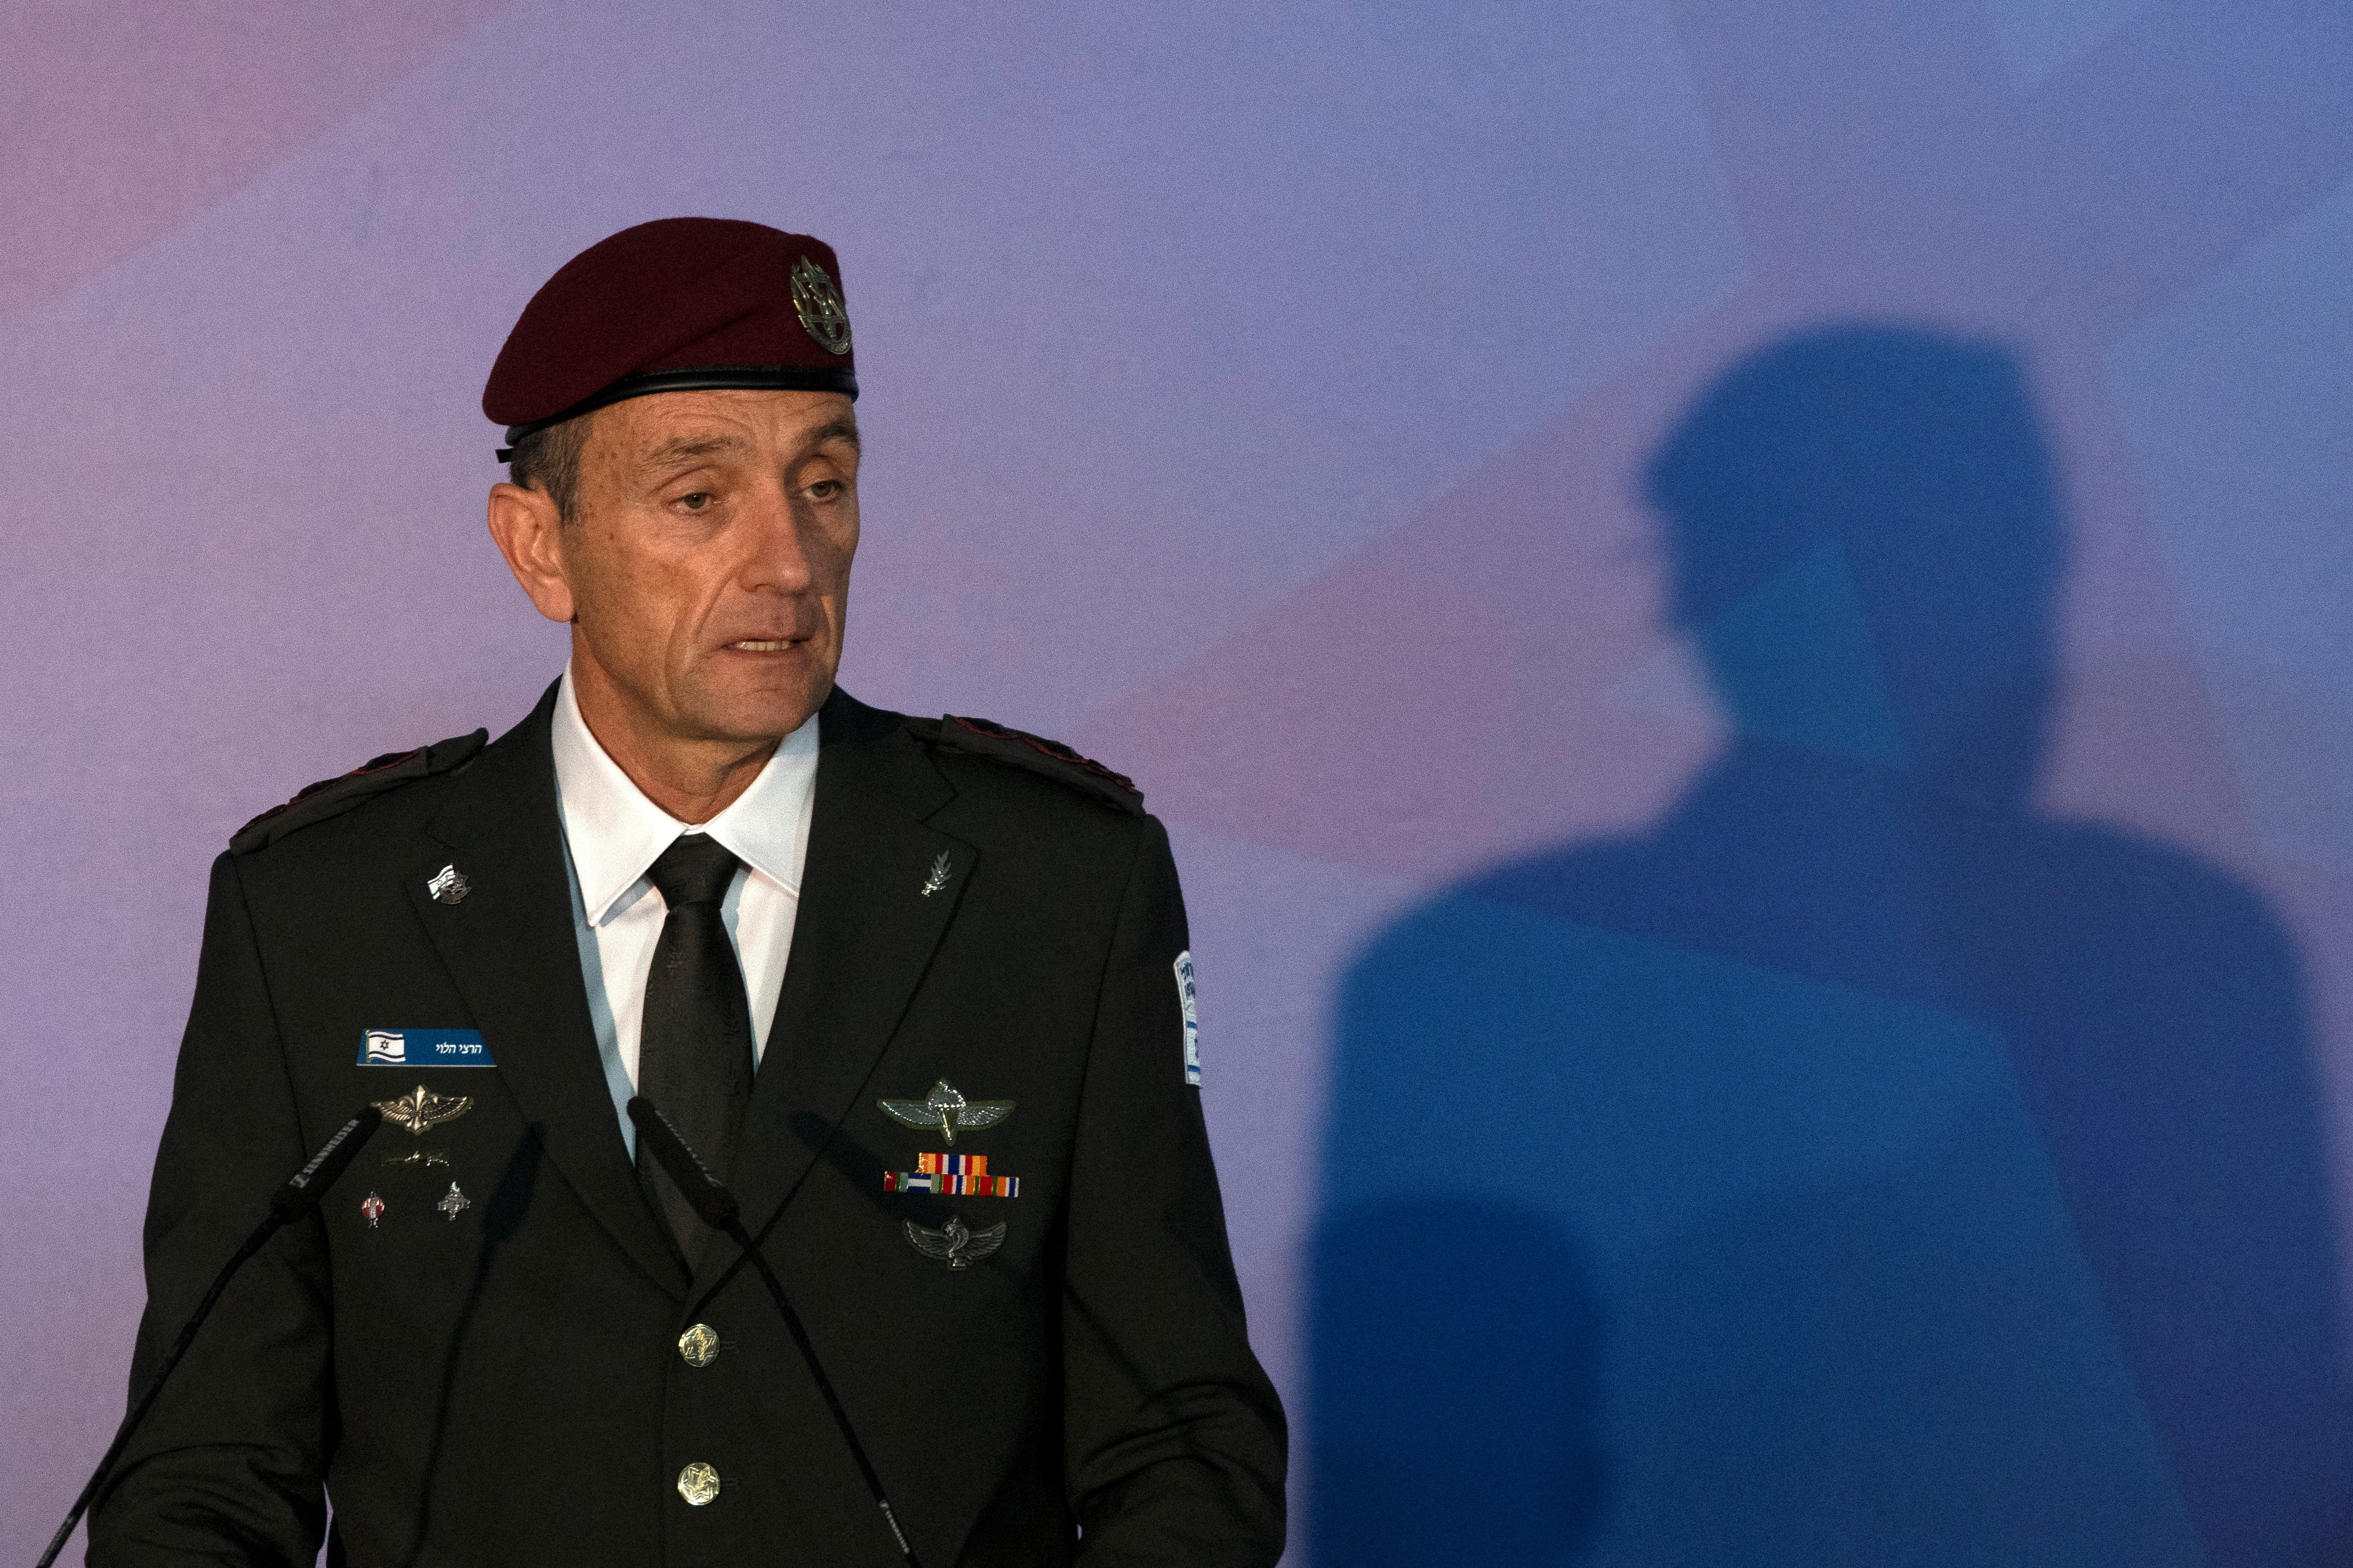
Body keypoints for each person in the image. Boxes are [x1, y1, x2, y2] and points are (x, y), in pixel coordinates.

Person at [89, 217, 1286, 1567]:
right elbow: (202, 1478)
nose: (787, 562)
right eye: (699, 498)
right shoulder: (320, 914)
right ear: (541, 546)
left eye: (823, 486)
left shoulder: (1058, 889)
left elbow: (1182, 1440)